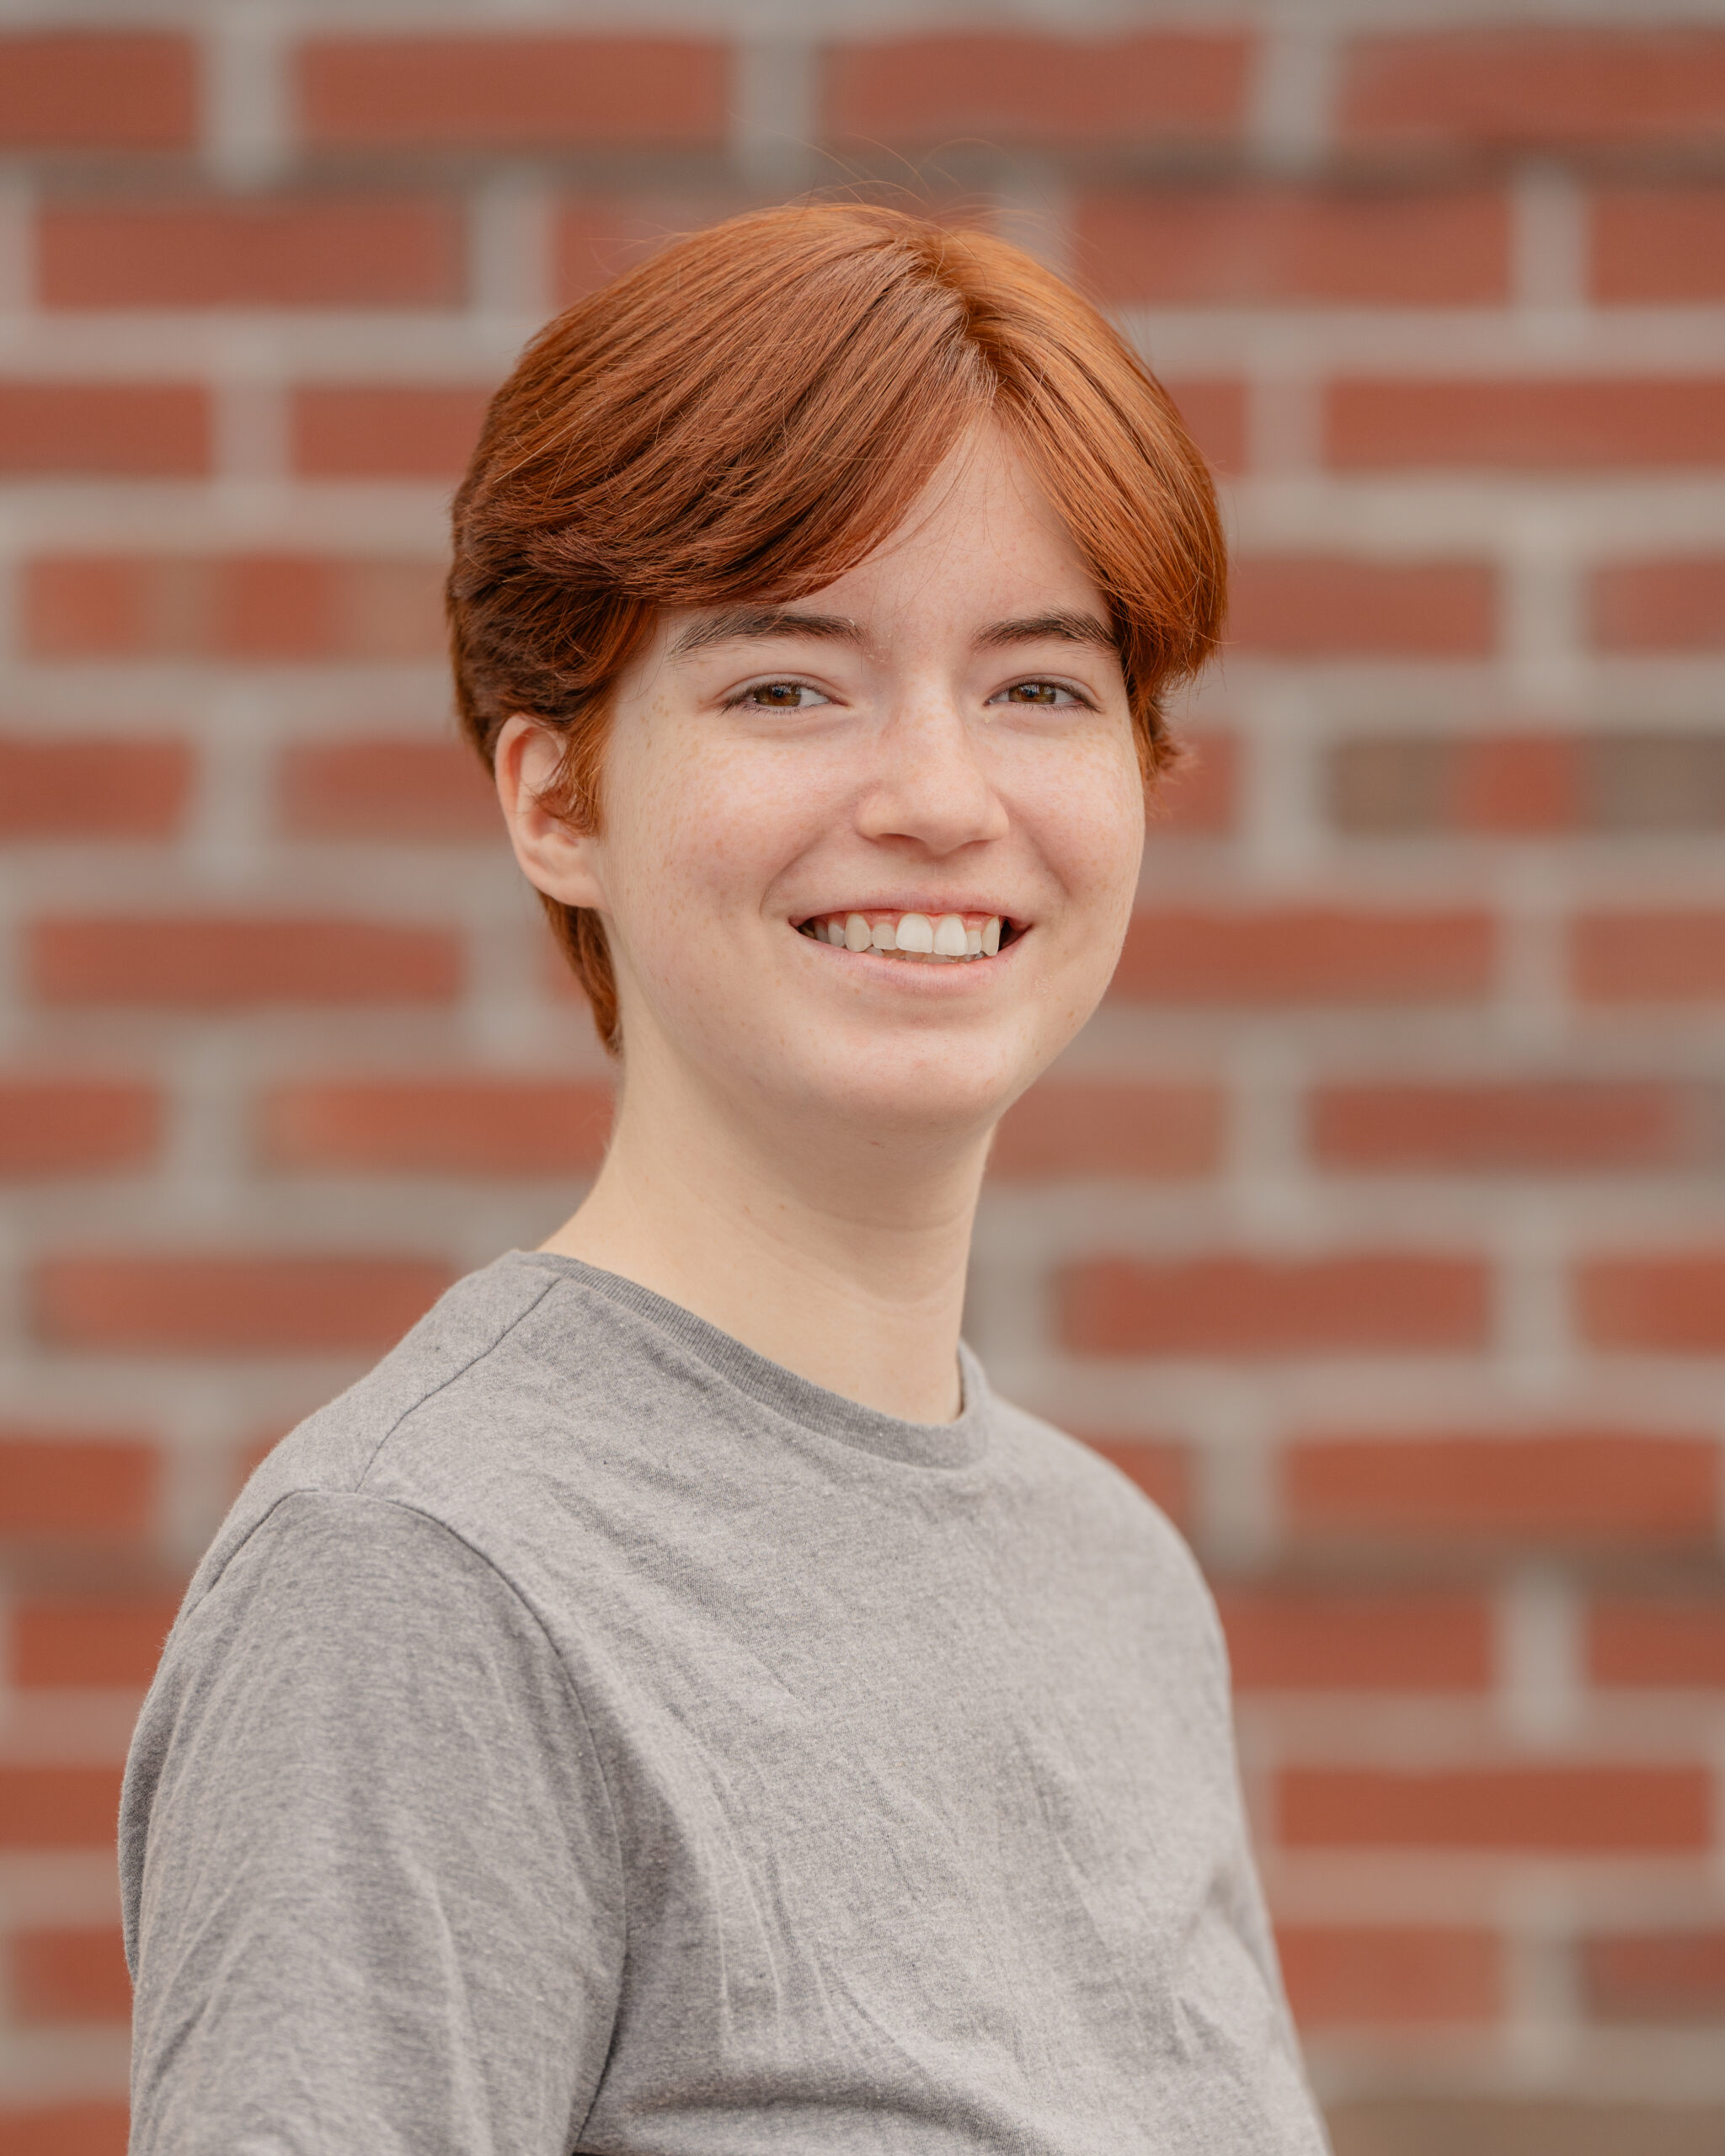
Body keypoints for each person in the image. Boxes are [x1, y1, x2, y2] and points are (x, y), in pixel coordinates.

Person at [120, 204, 1328, 2154]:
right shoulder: (421, 1577)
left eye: (1040, 685)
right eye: (789, 682)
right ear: (558, 797)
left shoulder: (1113, 1577)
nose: (940, 794)